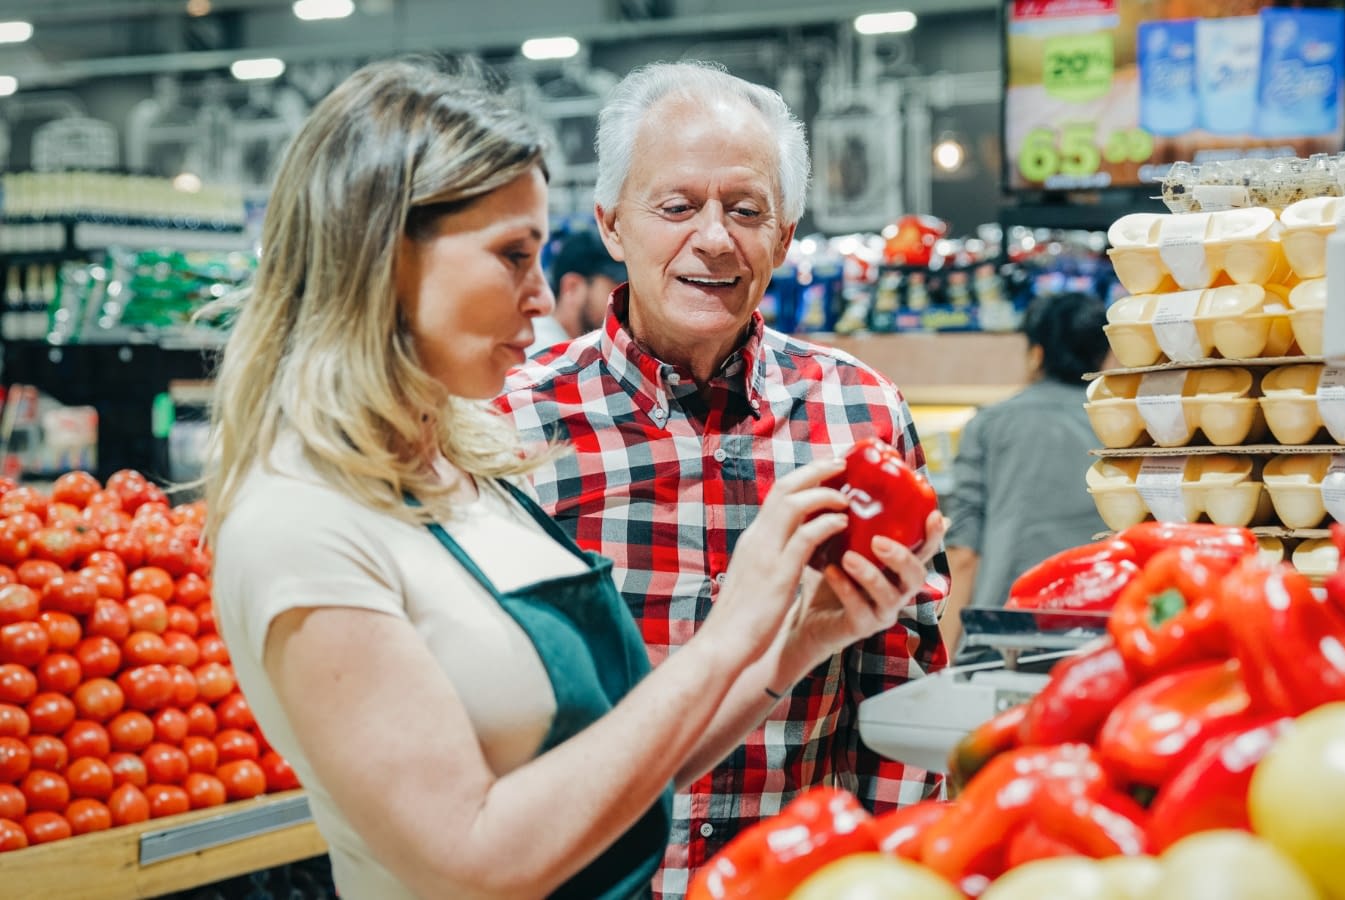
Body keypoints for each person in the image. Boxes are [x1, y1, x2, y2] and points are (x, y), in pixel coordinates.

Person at [204, 58, 939, 900]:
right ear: (383, 259)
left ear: (784, 230)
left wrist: (803, 636)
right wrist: (740, 624)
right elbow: (472, 858)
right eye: (513, 255)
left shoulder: (465, 464)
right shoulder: (311, 515)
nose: (545, 293)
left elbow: (629, 757)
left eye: (746, 211)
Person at [495, 61, 949, 898]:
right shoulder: (514, 427)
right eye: (676, 206)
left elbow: (899, 686)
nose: (714, 238)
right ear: (612, 225)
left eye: (746, 210)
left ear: (783, 235)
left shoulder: (861, 415)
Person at [940, 291, 1111, 649]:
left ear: (1037, 353)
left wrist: (945, 653)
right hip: (1104, 622)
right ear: (1103, 354)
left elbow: (963, 553)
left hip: (1004, 626)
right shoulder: (1124, 426)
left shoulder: (989, 424)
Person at [530, 228, 627, 353]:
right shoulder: (537, 352)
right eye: (615, 291)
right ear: (572, 288)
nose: (624, 306)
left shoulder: (570, 349)